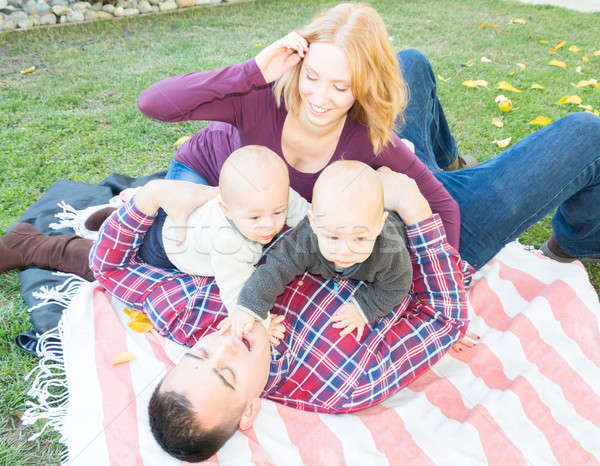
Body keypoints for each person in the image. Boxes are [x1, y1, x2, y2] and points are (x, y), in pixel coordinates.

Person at [89, 172, 469, 463]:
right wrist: (413, 205)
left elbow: (108, 267)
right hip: (425, 237)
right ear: (250, 409)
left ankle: (433, 158)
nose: (225, 344)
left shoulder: (194, 315)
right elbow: (446, 320)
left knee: (403, 72)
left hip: (330, 189)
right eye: (228, 373)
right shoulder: (341, 383)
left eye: (199, 355)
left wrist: (151, 195)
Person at [221, 160, 413, 342]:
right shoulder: (306, 237)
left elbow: (398, 284)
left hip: (391, 217)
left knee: (394, 205)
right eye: (333, 237)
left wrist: (365, 306)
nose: (345, 251)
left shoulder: (389, 249)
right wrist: (249, 306)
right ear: (314, 223)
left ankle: (389, 181)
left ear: (378, 226)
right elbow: (277, 267)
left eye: (360, 238)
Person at [155, 145, 309, 331]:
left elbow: (307, 214)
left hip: (202, 220)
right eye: (255, 217)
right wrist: (261, 323)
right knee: (147, 245)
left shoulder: (275, 196)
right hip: (174, 246)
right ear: (227, 210)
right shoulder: (226, 241)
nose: (269, 224)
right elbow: (236, 293)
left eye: (278, 212)